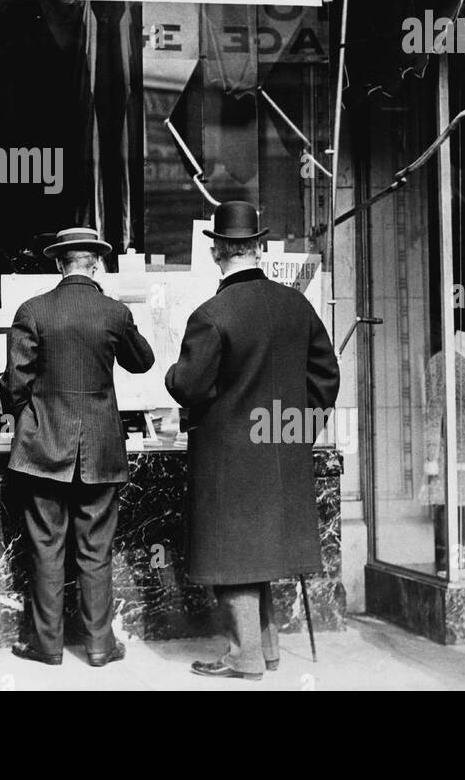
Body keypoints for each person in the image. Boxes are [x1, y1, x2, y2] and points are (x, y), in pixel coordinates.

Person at [164, 201, 339, 680]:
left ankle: (244, 658)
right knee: (262, 551)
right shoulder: (295, 306)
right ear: (259, 248)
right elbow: (326, 378)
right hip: (280, 450)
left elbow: (189, 385)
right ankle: (268, 650)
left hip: (227, 458)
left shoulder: (211, 314)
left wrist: (170, 374)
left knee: (234, 556)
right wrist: (295, 432)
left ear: (217, 252)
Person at [1, 227, 156, 667]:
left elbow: (15, 387)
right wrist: (119, 316)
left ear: (57, 263)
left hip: (43, 450)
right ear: (96, 265)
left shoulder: (33, 310)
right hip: (101, 453)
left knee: (46, 549)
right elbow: (142, 361)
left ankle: (47, 647)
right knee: (95, 551)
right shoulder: (113, 312)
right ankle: (100, 646)